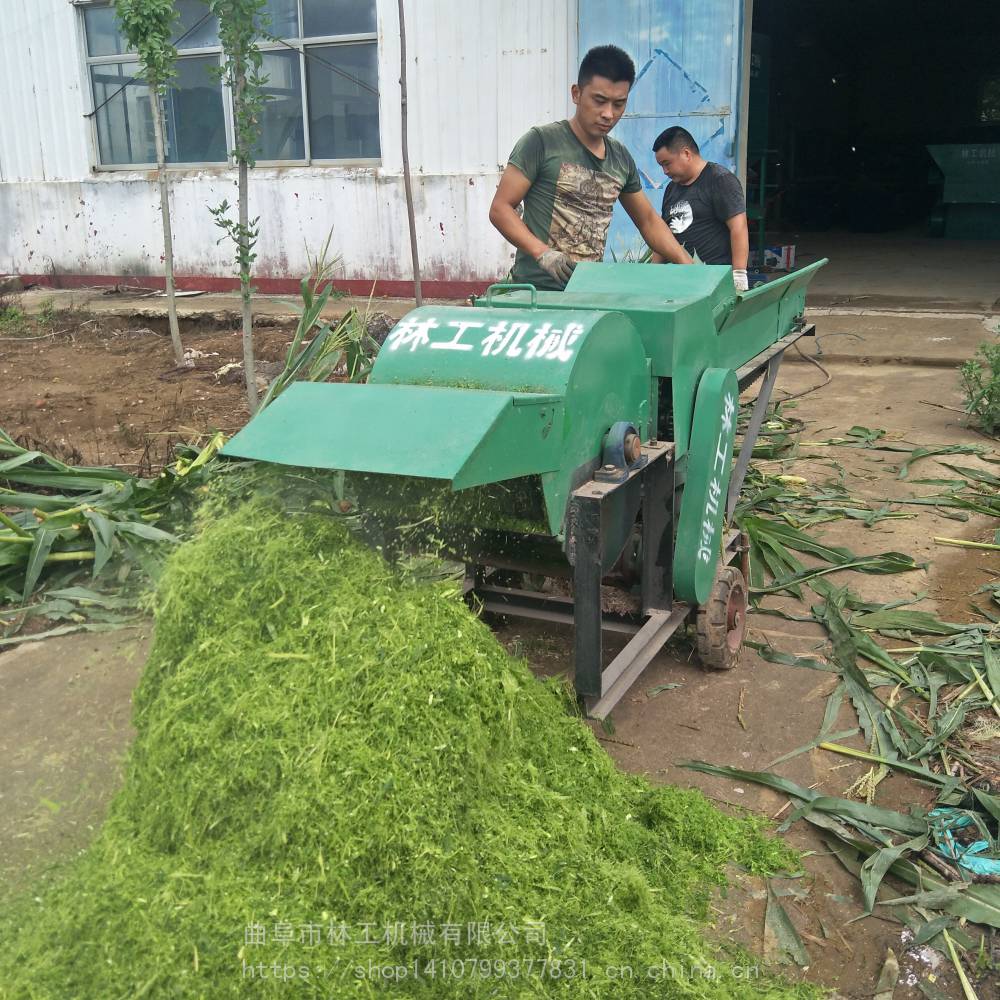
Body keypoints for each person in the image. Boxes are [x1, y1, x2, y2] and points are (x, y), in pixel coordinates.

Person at [489, 45, 692, 291]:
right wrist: (542, 252)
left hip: (586, 292)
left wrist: (687, 266)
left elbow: (648, 220)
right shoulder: (541, 142)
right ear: (576, 94)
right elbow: (501, 209)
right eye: (599, 100)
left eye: (619, 104)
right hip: (535, 294)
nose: (608, 113)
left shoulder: (620, 158)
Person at [650, 126, 751, 291]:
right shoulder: (671, 189)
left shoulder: (720, 180)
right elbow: (665, 234)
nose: (664, 171)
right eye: (661, 165)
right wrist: (652, 275)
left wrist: (738, 274)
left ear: (686, 154)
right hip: (681, 284)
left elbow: (738, 228)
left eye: (667, 163)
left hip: (714, 283)